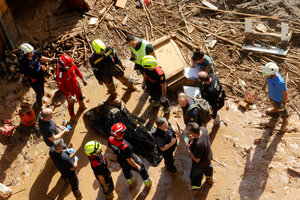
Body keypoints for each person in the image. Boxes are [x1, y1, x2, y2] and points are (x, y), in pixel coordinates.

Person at [108, 123, 152, 189]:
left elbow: (113, 149)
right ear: (122, 133)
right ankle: (148, 185)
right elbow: (129, 160)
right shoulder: (126, 146)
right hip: (129, 159)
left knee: (126, 171)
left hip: (120, 159)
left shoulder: (110, 139)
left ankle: (132, 183)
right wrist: (137, 166)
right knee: (142, 169)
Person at [261, 62, 288, 133]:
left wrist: (284, 101)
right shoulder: (268, 76)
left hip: (279, 99)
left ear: (273, 74)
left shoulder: (280, 82)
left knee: (282, 110)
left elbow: (285, 93)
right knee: (273, 104)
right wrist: (264, 85)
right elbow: (267, 79)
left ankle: (285, 122)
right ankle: (276, 110)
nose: (266, 76)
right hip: (271, 95)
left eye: (267, 75)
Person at [186, 122, 213, 193]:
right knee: (209, 169)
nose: (187, 131)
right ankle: (209, 179)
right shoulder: (203, 129)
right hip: (208, 156)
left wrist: (188, 150)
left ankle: (196, 189)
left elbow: (197, 160)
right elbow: (198, 139)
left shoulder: (198, 145)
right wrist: (192, 137)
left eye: (188, 130)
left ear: (192, 132)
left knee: (195, 177)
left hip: (200, 164)